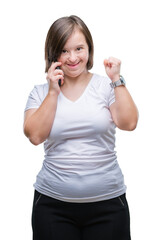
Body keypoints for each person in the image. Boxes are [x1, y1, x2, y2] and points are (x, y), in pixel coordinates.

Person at [24, 15, 138, 240]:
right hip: (52, 206)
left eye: (79, 48)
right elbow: (35, 135)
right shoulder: (39, 93)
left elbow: (129, 123)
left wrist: (116, 78)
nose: (73, 57)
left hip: (108, 205)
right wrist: (53, 92)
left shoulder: (106, 87)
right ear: (53, 53)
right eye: (64, 51)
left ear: (89, 49)